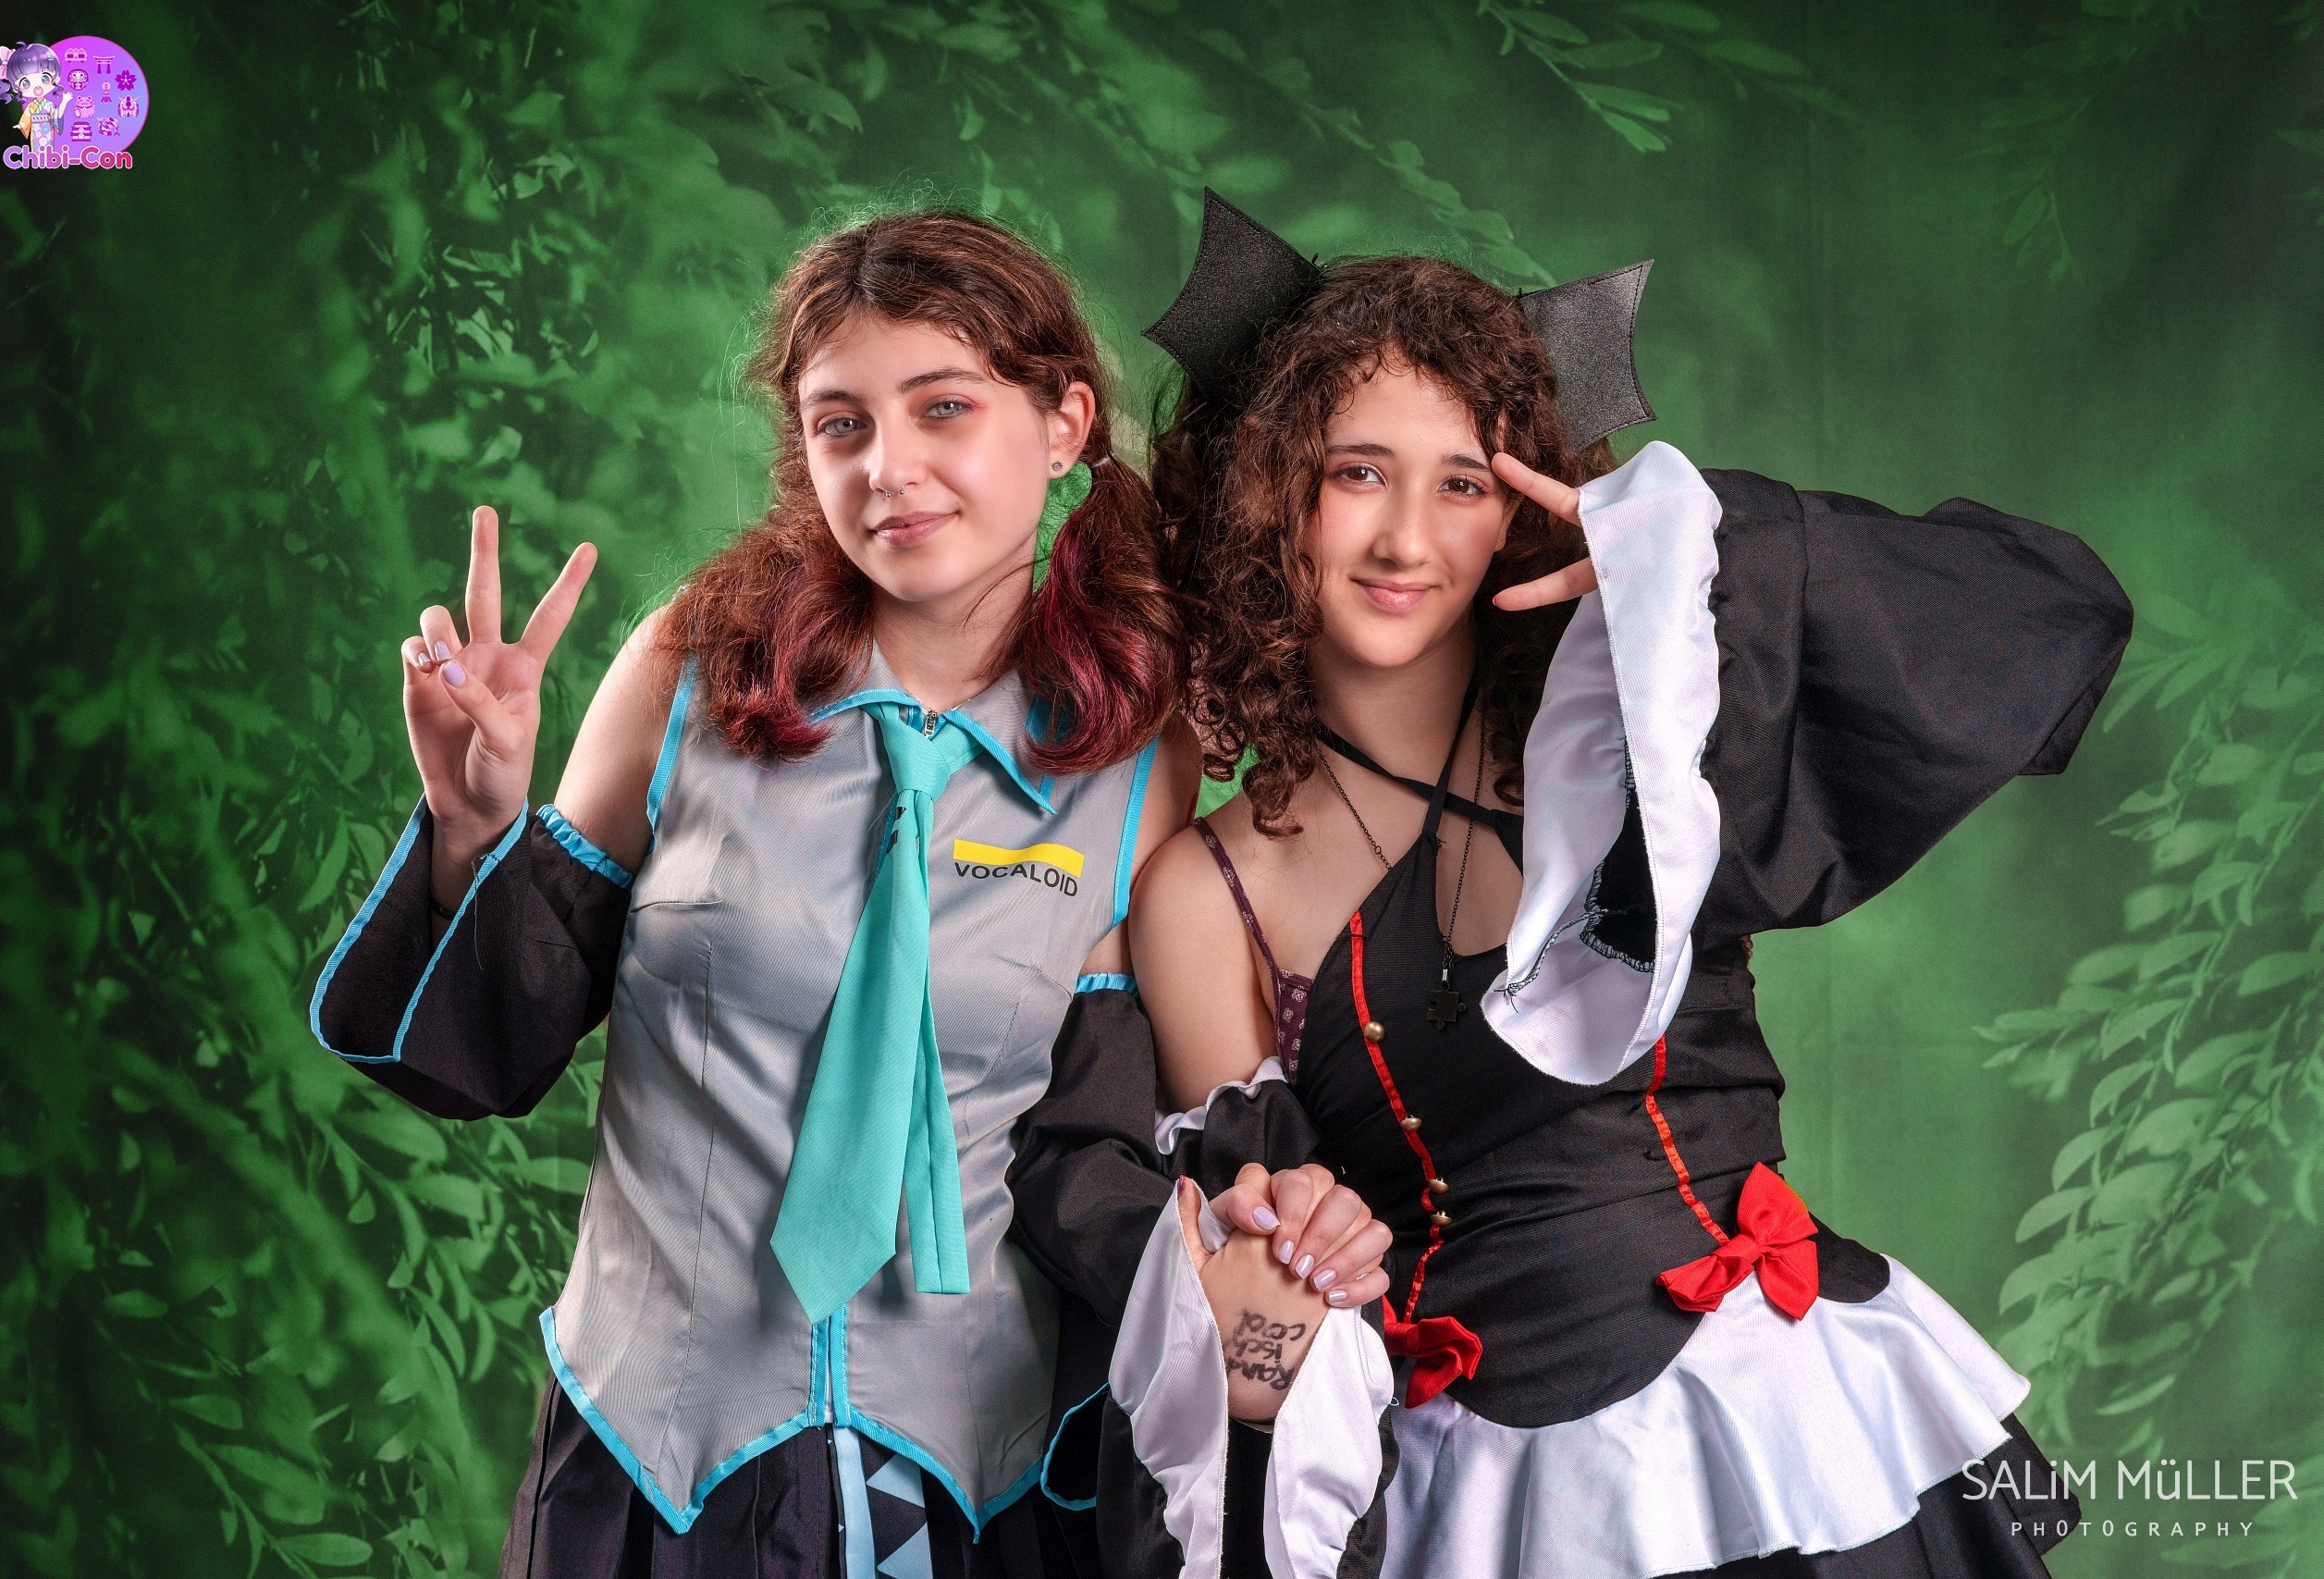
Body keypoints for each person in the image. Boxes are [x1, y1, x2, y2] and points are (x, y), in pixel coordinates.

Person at [1014, 194, 2133, 1578]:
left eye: (1463, 483)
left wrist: (1688, 578)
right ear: (1267, 496)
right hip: (1489, 1500)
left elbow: (2058, 619)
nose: (1406, 538)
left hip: (1776, 1417)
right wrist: (1276, 1242)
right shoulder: (1206, 892)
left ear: (1520, 513)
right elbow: (1269, 1284)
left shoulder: (1641, 736)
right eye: (1357, 473)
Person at [308, 207, 1199, 1579]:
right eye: (842, 425)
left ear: (1065, 422)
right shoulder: (694, 669)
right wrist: (474, 826)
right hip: (653, 1462)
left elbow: (1093, 1145)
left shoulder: (1133, 758)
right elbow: (491, 1048)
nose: (890, 469)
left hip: (966, 1484)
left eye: (944, 407)